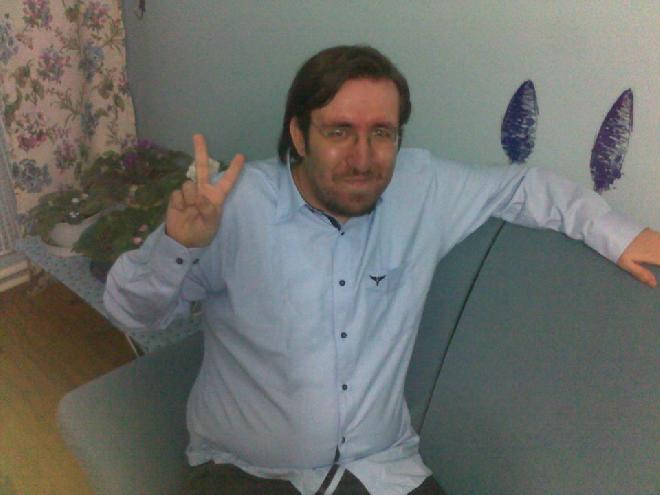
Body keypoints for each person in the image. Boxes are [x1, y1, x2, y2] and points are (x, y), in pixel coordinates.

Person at [103, 45, 660, 495]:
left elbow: (523, 186)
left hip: (381, 471)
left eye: (382, 133)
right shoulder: (235, 205)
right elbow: (134, 314)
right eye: (338, 131)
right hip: (245, 472)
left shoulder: (421, 188)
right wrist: (176, 245)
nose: (363, 157)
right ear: (298, 135)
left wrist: (621, 235)